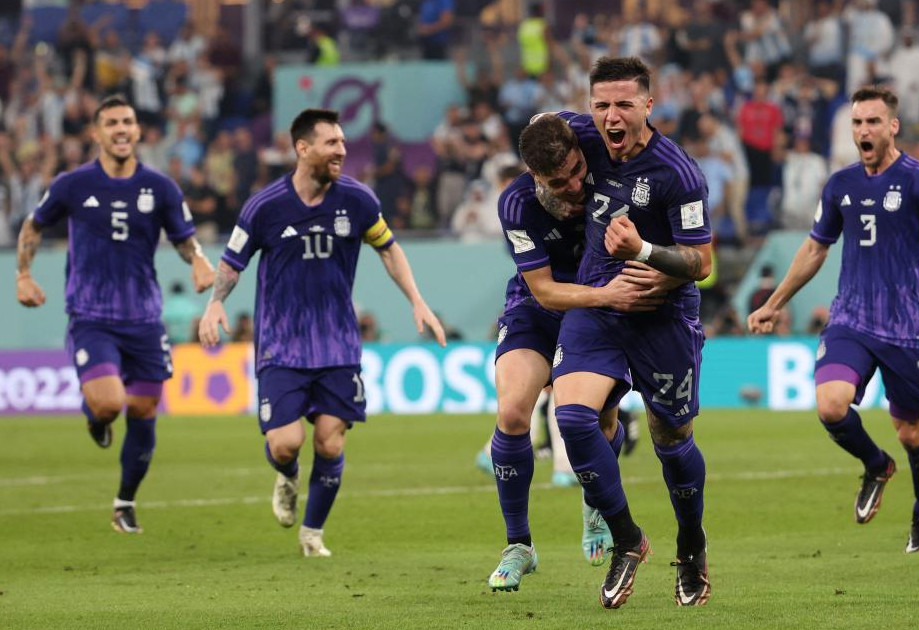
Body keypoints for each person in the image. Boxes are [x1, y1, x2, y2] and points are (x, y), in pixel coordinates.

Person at [748, 85, 919, 556]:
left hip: (906, 325)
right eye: (857, 122)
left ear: (893, 126)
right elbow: (815, 248)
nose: (863, 130)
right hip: (851, 318)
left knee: (912, 433)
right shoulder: (840, 184)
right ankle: (876, 464)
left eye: (873, 122)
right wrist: (775, 301)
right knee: (830, 405)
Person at [197, 108, 447, 557]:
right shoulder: (264, 206)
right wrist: (216, 302)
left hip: (337, 344)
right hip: (281, 344)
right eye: (332, 143)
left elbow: (388, 250)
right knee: (286, 442)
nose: (342, 150)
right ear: (302, 148)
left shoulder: (358, 199)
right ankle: (287, 475)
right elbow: (233, 263)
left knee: (330, 440)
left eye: (343, 142)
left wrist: (417, 299)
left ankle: (312, 533)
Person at [552, 57, 714, 608]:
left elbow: (703, 261)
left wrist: (642, 251)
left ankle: (691, 545)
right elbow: (537, 137)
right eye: (601, 105)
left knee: (671, 440)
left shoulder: (678, 173)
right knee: (572, 416)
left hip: (662, 313)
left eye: (624, 104)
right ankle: (627, 538)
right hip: (599, 303)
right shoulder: (579, 135)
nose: (611, 117)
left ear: (650, 103)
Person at [485, 113, 669, 592]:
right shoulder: (516, 205)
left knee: (599, 423)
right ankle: (519, 545)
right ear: (533, 176)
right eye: (557, 180)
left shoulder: (594, 151)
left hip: (595, 314)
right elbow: (544, 292)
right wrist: (609, 296)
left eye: (574, 171)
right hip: (541, 307)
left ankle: (595, 504)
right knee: (511, 413)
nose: (573, 185)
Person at [15, 95, 216, 533]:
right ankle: (96, 417)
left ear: (139, 131)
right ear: (96, 133)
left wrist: (198, 259)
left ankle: (124, 503)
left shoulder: (161, 187)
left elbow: (184, 237)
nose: (121, 129)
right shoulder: (73, 184)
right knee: (109, 404)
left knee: (143, 410)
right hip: (91, 315)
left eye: (128, 121)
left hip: (144, 318)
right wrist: (23, 275)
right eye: (111, 123)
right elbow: (33, 224)